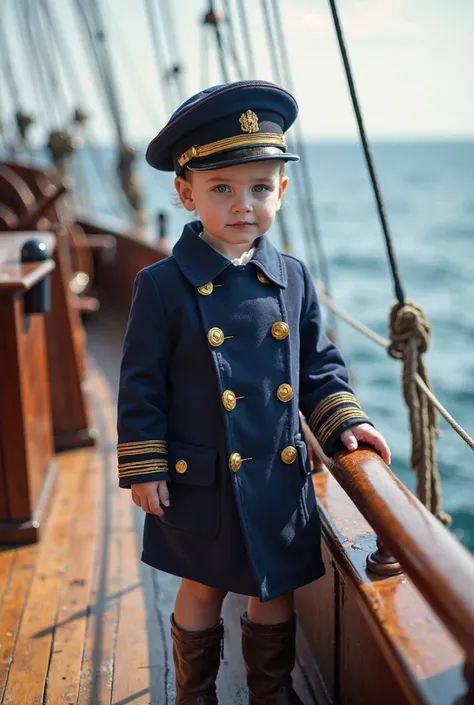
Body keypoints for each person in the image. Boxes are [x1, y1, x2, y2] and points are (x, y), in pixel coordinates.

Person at [117, 80, 391, 705]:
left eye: (260, 188)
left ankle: (271, 693)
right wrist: (145, 466)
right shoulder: (161, 285)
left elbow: (319, 365)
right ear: (186, 193)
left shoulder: (292, 276)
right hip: (200, 478)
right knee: (203, 588)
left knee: (275, 588)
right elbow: (139, 386)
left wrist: (343, 423)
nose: (244, 205)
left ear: (282, 192)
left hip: (275, 471)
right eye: (222, 189)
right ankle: (195, 693)